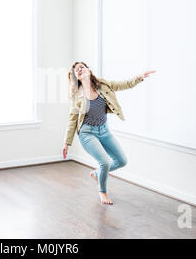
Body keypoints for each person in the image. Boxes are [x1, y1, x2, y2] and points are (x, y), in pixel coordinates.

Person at [62, 61, 155, 205]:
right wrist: (67, 143)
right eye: (76, 70)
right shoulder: (77, 95)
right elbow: (72, 118)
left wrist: (139, 77)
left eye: (82, 67)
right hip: (87, 133)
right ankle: (102, 191)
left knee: (122, 161)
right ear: (76, 77)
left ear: (88, 69)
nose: (79, 70)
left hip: (104, 130)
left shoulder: (102, 84)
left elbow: (123, 85)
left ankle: (97, 173)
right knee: (104, 162)